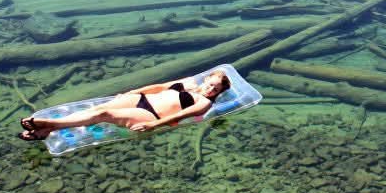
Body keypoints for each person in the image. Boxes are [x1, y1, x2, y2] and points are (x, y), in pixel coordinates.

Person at [18, 70, 231, 141]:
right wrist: (134, 92)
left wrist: (153, 126)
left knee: (103, 113)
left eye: (216, 90)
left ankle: (51, 126)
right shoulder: (190, 82)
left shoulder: (203, 103)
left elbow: (178, 117)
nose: (210, 90)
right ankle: (46, 130)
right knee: (95, 110)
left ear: (219, 93)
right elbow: (160, 86)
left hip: (152, 115)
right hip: (141, 99)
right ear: (206, 79)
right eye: (211, 84)